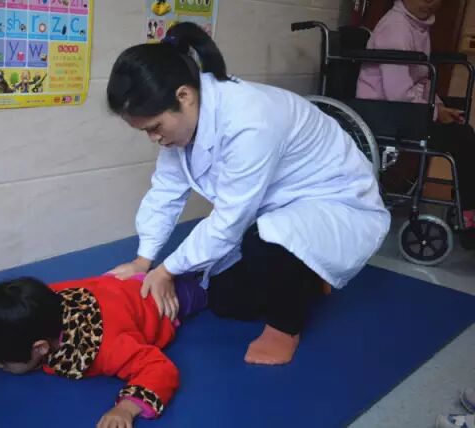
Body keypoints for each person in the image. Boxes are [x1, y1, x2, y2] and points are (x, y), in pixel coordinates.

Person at [105, 22, 390, 366]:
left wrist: (166, 271)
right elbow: (165, 190)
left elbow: (229, 220)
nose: (154, 138)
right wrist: (143, 259)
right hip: (279, 205)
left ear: (184, 96)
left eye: (155, 127)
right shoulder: (185, 122)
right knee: (228, 302)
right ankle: (310, 277)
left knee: (267, 239)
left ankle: (285, 328)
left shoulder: (250, 120)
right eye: (145, 132)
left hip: (333, 200)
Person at [0, 273, 207, 428]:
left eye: (3, 363)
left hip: (162, 300)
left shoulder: (106, 346)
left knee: (206, 287)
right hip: (119, 286)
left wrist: (126, 408)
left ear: (40, 348)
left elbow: (158, 367)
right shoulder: (39, 304)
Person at [356, 0, 475, 249]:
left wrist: (440, 107)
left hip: (404, 109)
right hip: (385, 111)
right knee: (462, 139)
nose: (429, 2)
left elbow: (422, 81)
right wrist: (435, 112)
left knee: (463, 134)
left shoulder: (418, 26)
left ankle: (466, 211)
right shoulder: (396, 28)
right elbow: (398, 92)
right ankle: (469, 216)